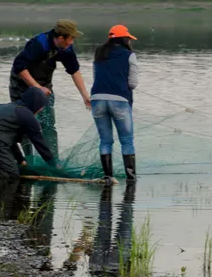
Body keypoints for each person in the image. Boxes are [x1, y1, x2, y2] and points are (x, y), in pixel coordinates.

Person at [8, 19, 92, 161]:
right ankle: (28, 159)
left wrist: (85, 96)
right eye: (70, 39)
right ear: (60, 38)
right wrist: (37, 87)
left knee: (48, 124)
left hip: (44, 85)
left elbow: (75, 71)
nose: (71, 42)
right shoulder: (39, 45)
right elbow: (20, 67)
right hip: (22, 84)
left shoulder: (66, 48)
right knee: (25, 124)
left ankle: (52, 160)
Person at [0, 87, 58, 181]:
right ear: (36, 104)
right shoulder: (27, 116)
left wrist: (20, 160)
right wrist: (54, 165)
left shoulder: (3, 106)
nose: (41, 110)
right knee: (11, 174)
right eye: (41, 107)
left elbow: (8, 140)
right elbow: (40, 144)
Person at [90, 24, 139, 185]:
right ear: (125, 39)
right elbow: (133, 83)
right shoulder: (129, 55)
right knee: (126, 141)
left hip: (97, 99)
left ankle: (108, 177)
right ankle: (131, 179)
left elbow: (97, 76)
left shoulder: (99, 53)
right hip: (120, 101)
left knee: (105, 140)